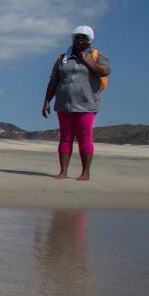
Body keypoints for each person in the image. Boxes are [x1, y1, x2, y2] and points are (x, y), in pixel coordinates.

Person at [42, 25, 110, 181]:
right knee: (65, 137)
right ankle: (63, 171)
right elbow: (53, 80)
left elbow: (105, 71)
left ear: (89, 40)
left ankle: (85, 173)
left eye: (83, 37)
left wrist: (87, 61)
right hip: (63, 104)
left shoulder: (97, 56)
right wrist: (47, 100)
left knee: (84, 137)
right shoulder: (63, 58)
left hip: (86, 104)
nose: (79, 40)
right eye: (77, 37)